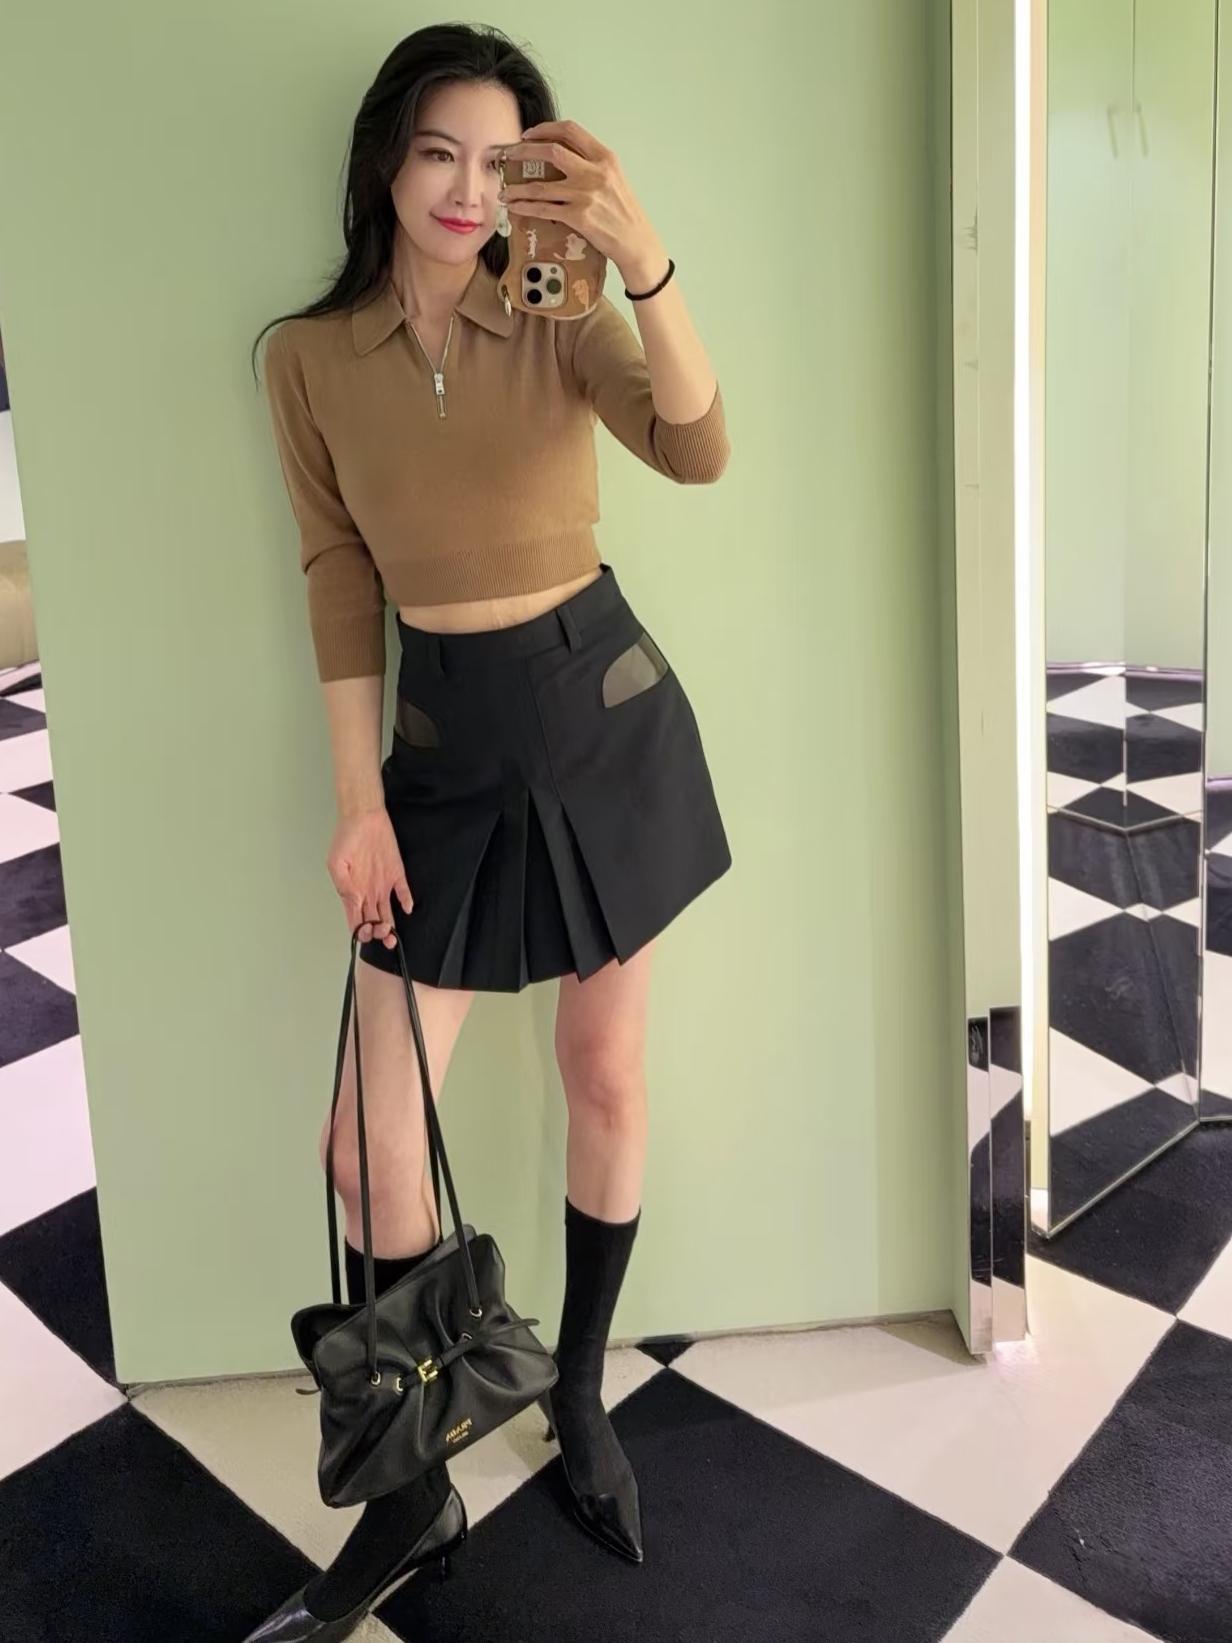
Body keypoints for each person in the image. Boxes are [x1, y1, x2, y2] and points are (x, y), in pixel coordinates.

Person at [245, 20, 731, 1640]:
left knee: (606, 1075)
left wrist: (642, 262)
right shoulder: (308, 360)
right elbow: (337, 577)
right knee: (363, 1144)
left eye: (502, 161)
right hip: (442, 763)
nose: (467, 188)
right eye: (440, 152)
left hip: (609, 726)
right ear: (387, 161)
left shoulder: (561, 305)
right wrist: (358, 804)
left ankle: (576, 1392)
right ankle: (412, 1492)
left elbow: (697, 447)